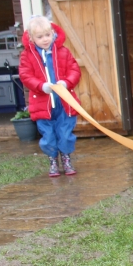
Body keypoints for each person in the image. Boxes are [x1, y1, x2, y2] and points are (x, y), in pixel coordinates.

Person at [18, 16, 82, 177]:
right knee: (48, 135)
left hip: (64, 103)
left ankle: (66, 158)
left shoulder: (63, 52)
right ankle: (53, 159)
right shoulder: (27, 56)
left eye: (47, 35)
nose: (45, 39)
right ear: (31, 38)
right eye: (40, 37)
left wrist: (66, 83)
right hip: (42, 104)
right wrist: (41, 86)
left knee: (65, 132)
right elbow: (25, 75)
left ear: (53, 33)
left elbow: (75, 70)